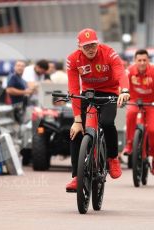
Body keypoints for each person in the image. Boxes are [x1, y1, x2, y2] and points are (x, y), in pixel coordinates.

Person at [65, 28, 130, 192]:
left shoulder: (109, 53)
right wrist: (77, 120)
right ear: (79, 47)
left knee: (107, 123)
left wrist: (124, 91)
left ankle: (113, 158)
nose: (90, 49)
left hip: (109, 93)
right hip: (87, 94)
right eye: (86, 46)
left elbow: (120, 72)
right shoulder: (73, 59)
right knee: (76, 131)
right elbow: (73, 89)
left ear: (97, 43)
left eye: (93, 45)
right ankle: (76, 176)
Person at [121, 49, 154, 174]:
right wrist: (121, 94)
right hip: (135, 101)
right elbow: (122, 84)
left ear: (148, 61)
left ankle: (153, 155)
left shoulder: (153, 71)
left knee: (152, 129)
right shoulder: (129, 71)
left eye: (144, 60)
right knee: (130, 114)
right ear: (135, 61)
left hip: (151, 104)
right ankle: (129, 144)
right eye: (139, 60)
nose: (142, 63)